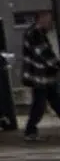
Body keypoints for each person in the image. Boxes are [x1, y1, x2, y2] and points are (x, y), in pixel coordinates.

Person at [21, 9, 60, 142]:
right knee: (41, 104)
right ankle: (30, 131)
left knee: (53, 101)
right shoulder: (35, 34)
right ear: (41, 19)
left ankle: (30, 131)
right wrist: (57, 64)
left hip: (43, 76)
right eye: (49, 20)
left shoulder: (37, 33)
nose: (51, 23)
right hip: (39, 76)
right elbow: (44, 53)